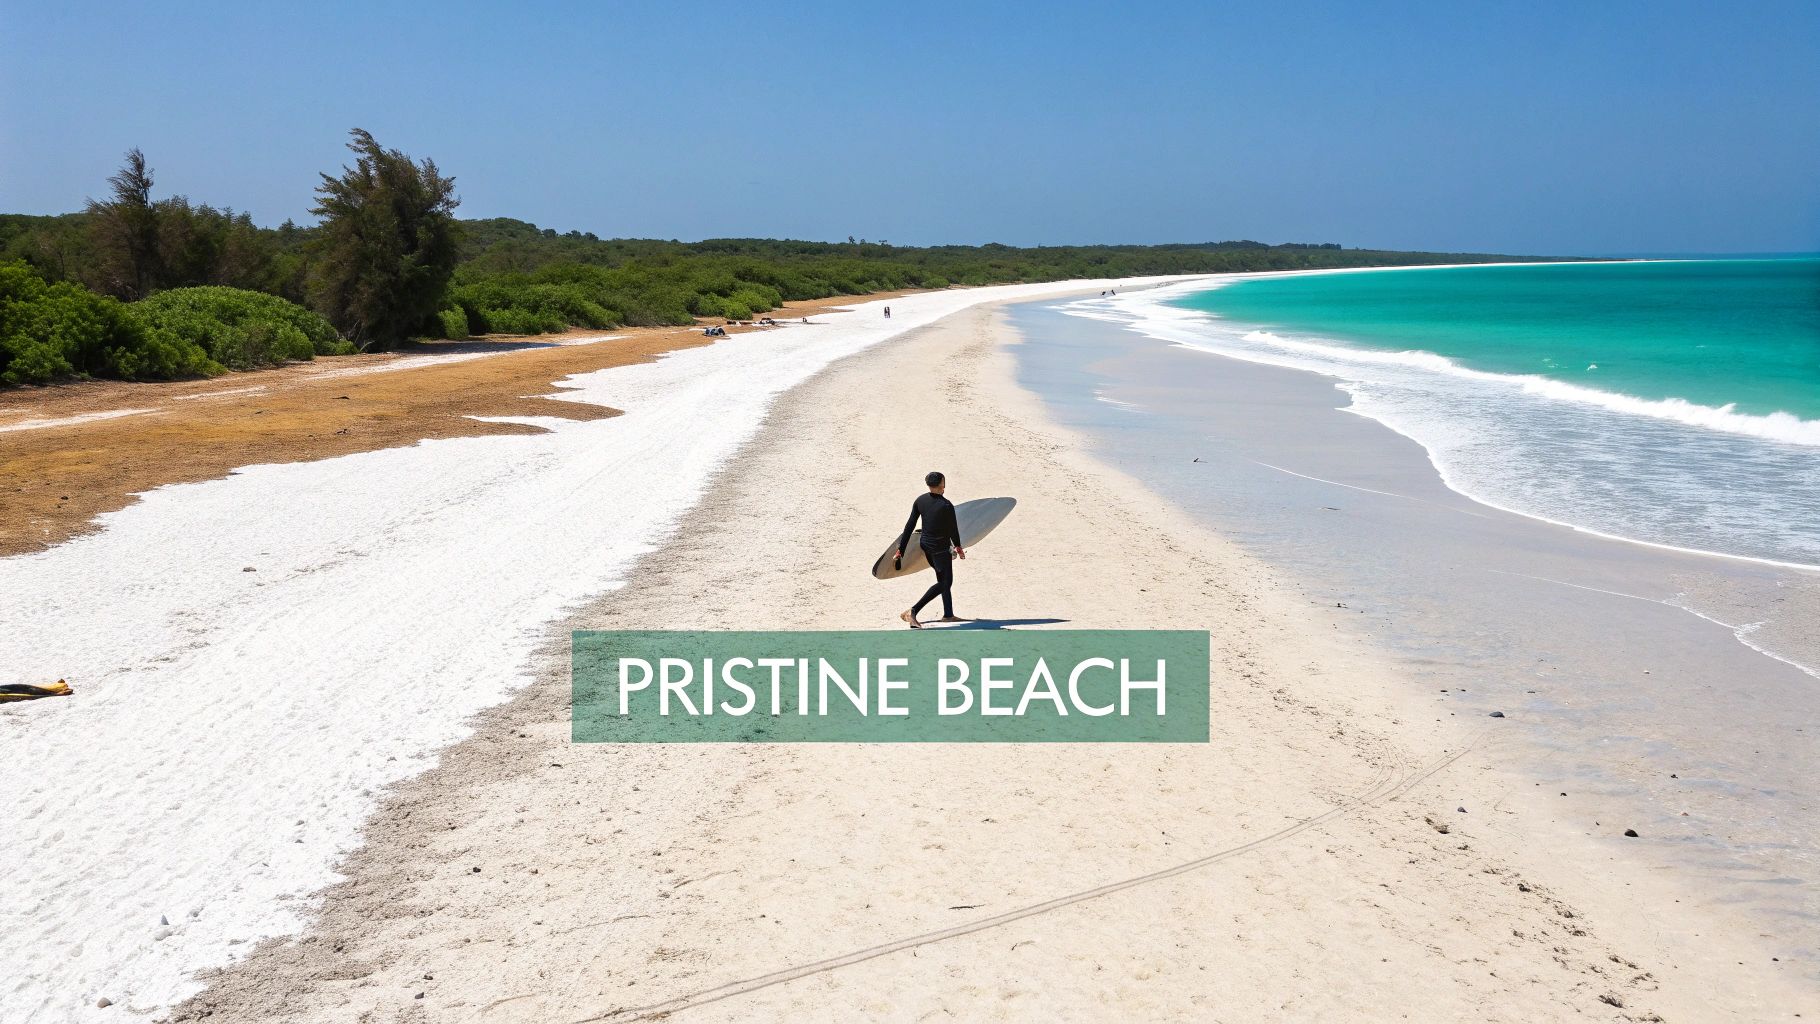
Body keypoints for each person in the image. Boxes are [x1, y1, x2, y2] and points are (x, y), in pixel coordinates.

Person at [896, 471, 966, 628]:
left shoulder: (920, 500)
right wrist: (958, 546)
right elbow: (953, 529)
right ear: (942, 484)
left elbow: (910, 525)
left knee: (942, 578)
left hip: (926, 546)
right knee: (946, 582)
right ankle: (913, 611)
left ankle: (948, 615)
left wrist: (901, 548)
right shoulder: (946, 505)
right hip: (940, 549)